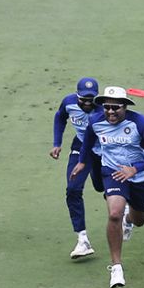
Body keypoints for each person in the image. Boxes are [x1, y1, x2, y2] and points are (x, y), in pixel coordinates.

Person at [70, 86, 144, 288]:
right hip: (112, 172)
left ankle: (129, 219)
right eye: (107, 108)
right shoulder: (96, 122)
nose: (111, 112)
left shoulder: (139, 122)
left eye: (116, 108)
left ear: (125, 107)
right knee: (114, 214)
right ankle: (116, 268)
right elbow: (87, 141)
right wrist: (82, 161)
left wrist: (135, 168)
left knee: (139, 219)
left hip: (139, 177)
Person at [49, 77, 104, 259]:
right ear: (77, 95)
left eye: (91, 100)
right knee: (72, 189)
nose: (88, 104)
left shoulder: (105, 110)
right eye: (83, 100)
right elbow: (60, 117)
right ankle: (82, 240)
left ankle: (126, 207)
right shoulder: (69, 102)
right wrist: (57, 143)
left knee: (100, 187)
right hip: (80, 147)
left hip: (104, 151)